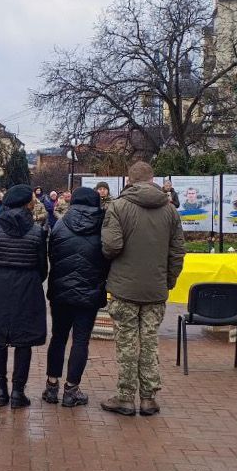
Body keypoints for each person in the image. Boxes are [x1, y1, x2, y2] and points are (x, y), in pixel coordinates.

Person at [100, 162, 185, 417]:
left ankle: (125, 397)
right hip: (156, 289)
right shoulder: (170, 211)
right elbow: (178, 251)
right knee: (149, 342)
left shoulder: (118, 206)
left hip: (124, 287)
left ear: (129, 180)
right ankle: (149, 398)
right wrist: (168, 280)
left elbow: (111, 246)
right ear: (152, 180)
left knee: (126, 343)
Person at [0, 184, 49, 408]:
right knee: (24, 341)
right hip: (27, 285)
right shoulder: (37, 231)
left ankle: (0, 390)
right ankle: (18, 392)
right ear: (27, 203)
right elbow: (42, 268)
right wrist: (29, 279)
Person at [43, 187, 108, 408]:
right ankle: (71, 390)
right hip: (89, 293)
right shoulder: (102, 228)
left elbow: (52, 255)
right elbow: (107, 257)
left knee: (58, 337)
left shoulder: (60, 225)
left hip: (61, 292)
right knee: (81, 340)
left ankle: (51, 387)